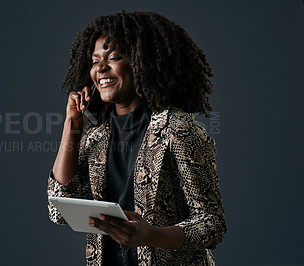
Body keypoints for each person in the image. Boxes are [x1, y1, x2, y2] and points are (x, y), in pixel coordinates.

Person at [47, 10, 227, 265]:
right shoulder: (95, 138)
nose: (100, 68)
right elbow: (58, 211)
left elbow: (212, 223)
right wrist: (72, 127)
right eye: (95, 60)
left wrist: (152, 235)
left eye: (115, 57)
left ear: (143, 62)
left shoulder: (177, 128)